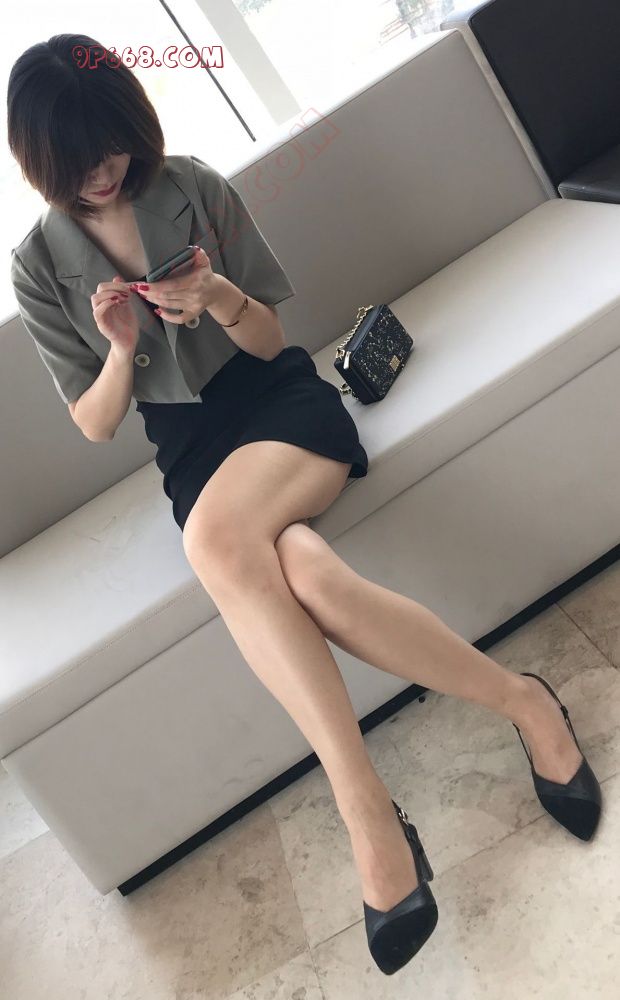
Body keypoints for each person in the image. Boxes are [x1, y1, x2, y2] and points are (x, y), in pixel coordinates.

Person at [7, 33, 602, 976]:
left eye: (110, 144)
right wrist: (120, 347)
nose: (101, 171)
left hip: (281, 407)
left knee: (215, 542)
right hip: (191, 452)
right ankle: (524, 703)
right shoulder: (40, 265)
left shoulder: (193, 184)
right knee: (305, 573)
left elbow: (271, 335)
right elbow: (95, 422)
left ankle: (367, 814)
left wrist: (217, 295)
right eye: (76, 163)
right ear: (42, 163)